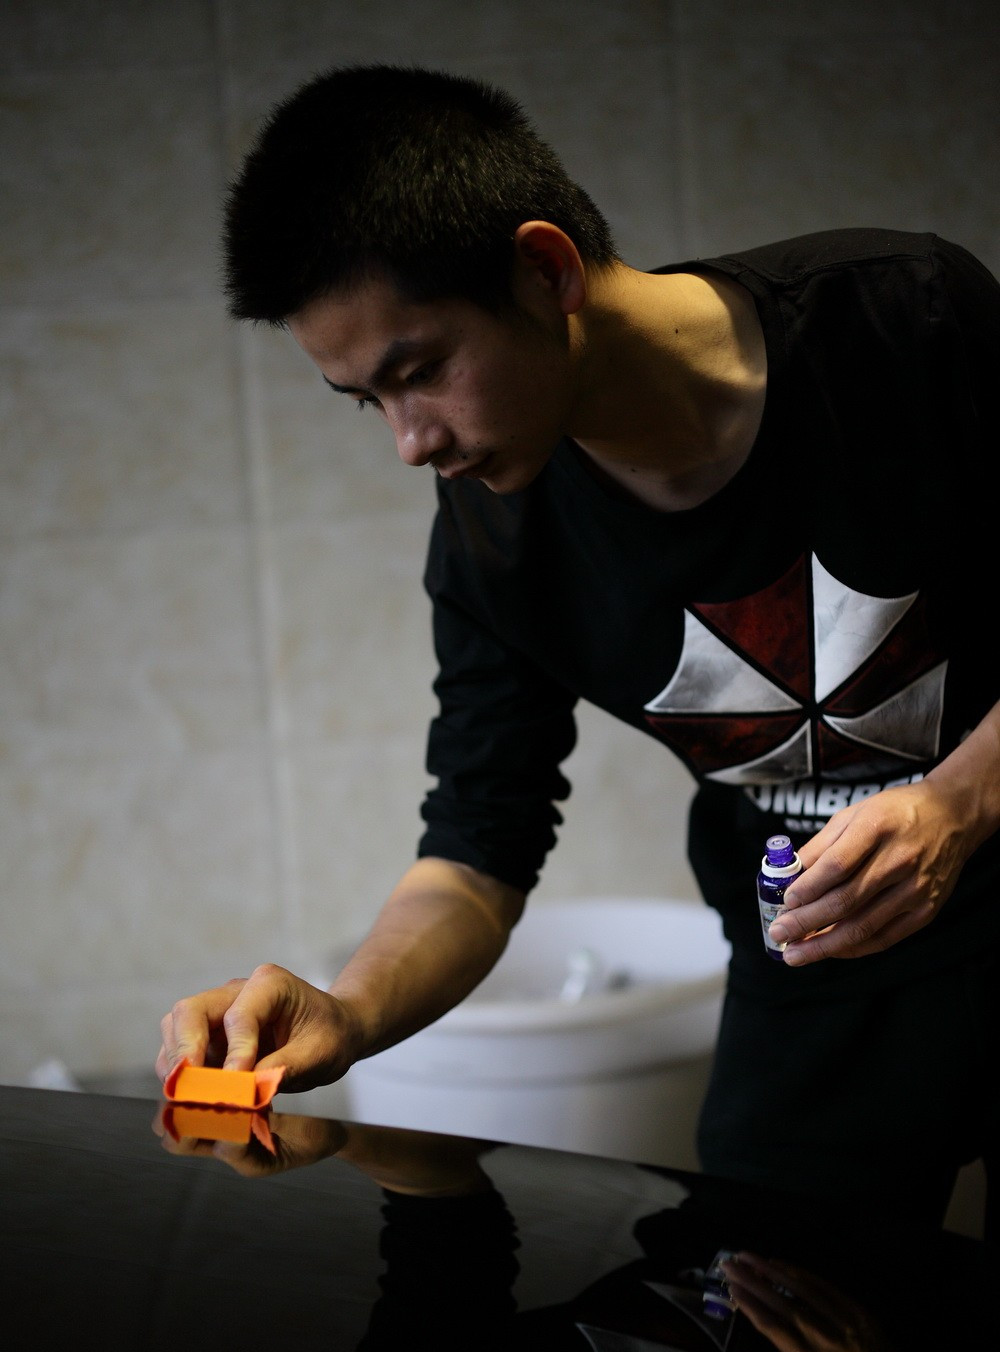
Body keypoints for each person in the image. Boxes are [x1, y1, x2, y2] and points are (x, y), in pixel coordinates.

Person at [156, 64, 1000, 1227]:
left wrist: (959, 802)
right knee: (774, 1315)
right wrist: (347, 1015)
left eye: (419, 372)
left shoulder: (902, 319)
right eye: (367, 401)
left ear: (546, 270)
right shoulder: (492, 540)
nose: (408, 443)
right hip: (814, 984)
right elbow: (476, 851)